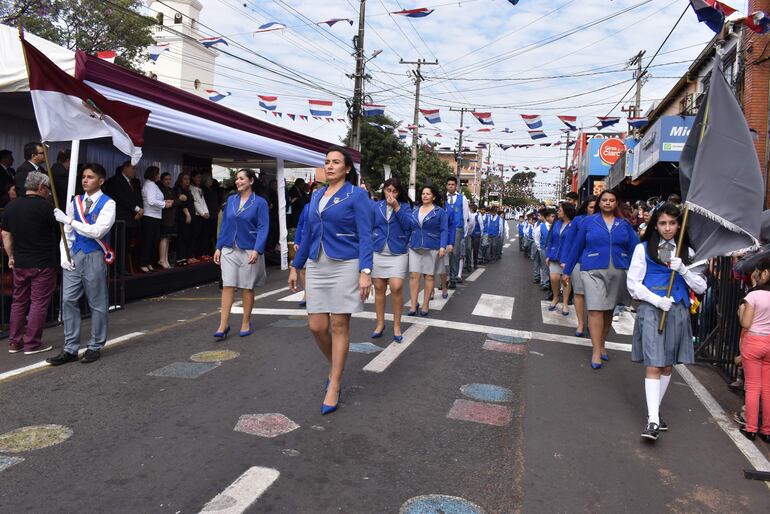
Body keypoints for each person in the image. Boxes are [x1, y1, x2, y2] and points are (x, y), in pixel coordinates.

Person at [288, 146, 373, 415]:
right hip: (316, 263)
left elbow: (366, 234)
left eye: (336, 162)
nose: (330, 166)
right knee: (316, 325)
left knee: (338, 324)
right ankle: (337, 363)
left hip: (346, 263)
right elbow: (311, 234)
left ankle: (334, 383)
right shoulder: (315, 195)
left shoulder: (356, 195)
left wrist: (365, 271)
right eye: (327, 162)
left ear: (347, 168)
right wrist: (295, 266)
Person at [627, 202, 707, 441]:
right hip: (652, 310)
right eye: (662, 223)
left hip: (678, 310)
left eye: (672, 223)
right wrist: (655, 299)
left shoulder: (689, 252)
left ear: (679, 225)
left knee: (668, 365)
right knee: (654, 362)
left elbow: (701, 286)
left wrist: (684, 270)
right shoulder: (643, 249)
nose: (668, 228)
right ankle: (652, 420)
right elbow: (633, 284)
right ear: (655, 224)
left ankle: (655, 413)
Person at [48, 163, 116, 365]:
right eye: (84, 177)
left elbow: (97, 231)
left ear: (101, 181)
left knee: (97, 303)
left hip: (94, 255)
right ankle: (70, 348)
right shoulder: (75, 201)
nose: (85, 180)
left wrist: (69, 221)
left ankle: (95, 346)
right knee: (68, 300)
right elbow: (67, 234)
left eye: (90, 177)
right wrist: (64, 255)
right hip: (75, 255)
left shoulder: (108, 203)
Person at [563, 189, 639, 369]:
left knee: (608, 311)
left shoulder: (624, 224)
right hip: (591, 270)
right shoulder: (588, 222)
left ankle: (602, 344)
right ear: (599, 202)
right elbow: (577, 246)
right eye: (604, 200)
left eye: (611, 200)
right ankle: (596, 350)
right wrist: (567, 270)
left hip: (618, 271)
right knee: (596, 309)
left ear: (616, 203)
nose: (607, 203)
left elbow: (636, 249)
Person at [1, 171, 59, 355]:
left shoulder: (11, 206)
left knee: (18, 302)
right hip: (43, 262)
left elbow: (5, 234)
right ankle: (32, 343)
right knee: (38, 303)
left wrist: (10, 256)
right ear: (41, 188)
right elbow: (59, 231)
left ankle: (14, 342)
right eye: (47, 188)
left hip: (20, 261)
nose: (49, 192)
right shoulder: (47, 207)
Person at [213, 169, 269, 340]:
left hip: (249, 249)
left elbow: (263, 227)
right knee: (228, 285)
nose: (238, 181)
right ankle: (223, 324)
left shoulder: (260, 202)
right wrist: (218, 246)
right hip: (229, 248)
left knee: (247, 287)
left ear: (251, 181)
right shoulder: (230, 200)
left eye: (241, 178)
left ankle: (246, 321)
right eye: (236, 179)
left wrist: (257, 249)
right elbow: (225, 225)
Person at [371, 177, 415, 343]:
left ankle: (397, 325)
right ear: (383, 190)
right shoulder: (376, 206)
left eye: (394, 191)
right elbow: (370, 227)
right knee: (379, 287)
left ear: (399, 192)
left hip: (398, 252)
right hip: (378, 251)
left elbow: (409, 225)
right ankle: (380, 323)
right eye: (388, 190)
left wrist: (397, 207)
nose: (390, 194)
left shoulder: (405, 207)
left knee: (396, 287)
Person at [736, 257, 770, 442]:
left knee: (753, 387)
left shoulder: (753, 296)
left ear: (765, 273)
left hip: (754, 341)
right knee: (767, 388)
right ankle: (767, 430)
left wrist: (742, 311)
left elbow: (746, 323)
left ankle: (750, 428)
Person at [408, 185, 448, 316]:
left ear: (434, 196)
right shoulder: (414, 210)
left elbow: (444, 230)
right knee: (414, 276)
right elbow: (409, 227)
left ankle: (425, 304)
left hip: (432, 246)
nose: (425, 196)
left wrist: (442, 246)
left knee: (429, 276)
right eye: (423, 193)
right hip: (414, 246)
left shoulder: (440, 212)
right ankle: (413, 305)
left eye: (428, 194)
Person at [560, 196, 596, 337]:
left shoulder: (605, 221)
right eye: (591, 206)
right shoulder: (578, 220)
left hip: (598, 264)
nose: (594, 209)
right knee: (579, 293)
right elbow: (569, 242)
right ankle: (581, 323)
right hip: (578, 262)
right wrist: (565, 261)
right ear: (586, 207)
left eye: (595, 206)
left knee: (595, 296)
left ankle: (593, 323)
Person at [103, 161, 143, 275]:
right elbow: (121, 198)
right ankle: (115, 270)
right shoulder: (115, 181)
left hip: (133, 219)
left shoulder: (134, 183)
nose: (134, 171)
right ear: (125, 168)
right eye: (133, 168)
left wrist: (141, 209)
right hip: (120, 219)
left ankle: (122, 268)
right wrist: (136, 209)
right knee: (117, 245)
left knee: (125, 246)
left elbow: (138, 197)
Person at [293, 181, 323, 307]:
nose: (315, 194)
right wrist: (297, 240)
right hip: (305, 242)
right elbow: (300, 224)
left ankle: (319, 293)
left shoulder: (325, 208)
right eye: (313, 192)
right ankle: (306, 293)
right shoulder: (307, 207)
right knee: (303, 269)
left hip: (319, 242)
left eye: (318, 191)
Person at [140, 166, 171, 273]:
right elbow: (151, 201)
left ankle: (148, 262)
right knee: (148, 241)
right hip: (150, 216)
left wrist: (164, 202)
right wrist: (164, 204)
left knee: (153, 241)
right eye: (157, 173)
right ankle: (143, 263)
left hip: (155, 216)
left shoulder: (153, 185)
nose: (159, 175)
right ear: (152, 174)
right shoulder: (150, 185)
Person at [546, 202, 576, 315]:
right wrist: (548, 254)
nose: (557, 211)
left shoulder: (574, 224)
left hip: (567, 257)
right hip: (554, 255)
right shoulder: (557, 223)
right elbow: (551, 239)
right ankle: (555, 297)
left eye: (560, 210)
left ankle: (565, 303)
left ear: (567, 212)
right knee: (554, 278)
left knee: (566, 281)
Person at [445, 177, 471, 287]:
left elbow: (465, 215)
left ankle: (453, 278)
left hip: (457, 228)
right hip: (445, 228)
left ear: (456, 186)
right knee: (445, 254)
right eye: (449, 184)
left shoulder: (462, 198)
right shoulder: (443, 198)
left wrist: (464, 230)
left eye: (452, 184)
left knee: (455, 253)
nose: (450, 186)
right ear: (447, 186)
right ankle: (445, 278)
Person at [158, 172, 180, 269]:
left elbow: (176, 201)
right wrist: (173, 202)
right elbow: (166, 203)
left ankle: (165, 258)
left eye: (169, 179)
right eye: (166, 179)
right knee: (164, 238)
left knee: (168, 239)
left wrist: (174, 201)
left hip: (172, 217)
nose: (168, 181)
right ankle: (162, 259)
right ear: (162, 180)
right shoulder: (160, 190)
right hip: (164, 216)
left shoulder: (171, 190)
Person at [174, 173, 194, 266]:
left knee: (188, 237)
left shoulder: (188, 190)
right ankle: (180, 258)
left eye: (188, 179)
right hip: (182, 216)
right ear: (180, 180)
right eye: (185, 179)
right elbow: (182, 203)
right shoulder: (178, 189)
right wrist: (187, 214)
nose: (187, 181)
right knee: (182, 237)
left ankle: (186, 256)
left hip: (189, 215)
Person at [190, 171, 210, 261]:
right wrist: (202, 213)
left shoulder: (200, 189)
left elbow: (203, 202)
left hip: (203, 215)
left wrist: (206, 212)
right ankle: (192, 255)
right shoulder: (191, 188)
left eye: (200, 178)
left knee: (202, 235)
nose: (199, 179)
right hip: (197, 215)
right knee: (195, 236)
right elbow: (195, 203)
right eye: (197, 177)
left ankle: (200, 253)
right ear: (193, 178)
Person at [469, 204, 483, 269]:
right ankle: (468, 264)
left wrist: (481, 234)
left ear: (472, 209)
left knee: (475, 250)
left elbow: (481, 226)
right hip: (469, 234)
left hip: (476, 234)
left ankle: (475, 263)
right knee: (468, 249)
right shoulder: (468, 215)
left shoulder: (478, 216)